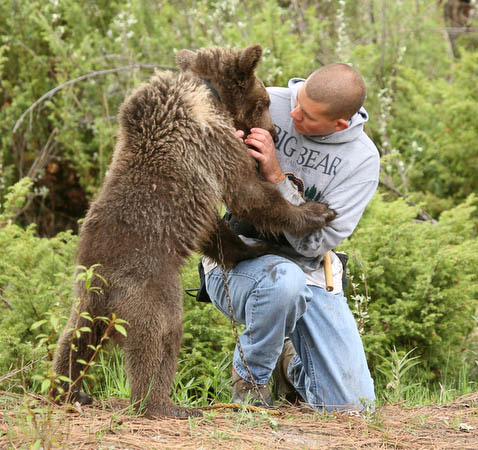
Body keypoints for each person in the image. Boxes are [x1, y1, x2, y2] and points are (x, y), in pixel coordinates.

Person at [202, 63, 380, 411]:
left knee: (353, 408)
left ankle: (290, 366)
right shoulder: (267, 102)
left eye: (308, 116)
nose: (292, 113)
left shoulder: (361, 162)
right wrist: (221, 148)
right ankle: (250, 388)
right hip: (238, 260)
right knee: (283, 282)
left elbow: (313, 243)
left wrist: (275, 177)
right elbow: (194, 107)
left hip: (312, 271)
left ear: (339, 124)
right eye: (298, 101)